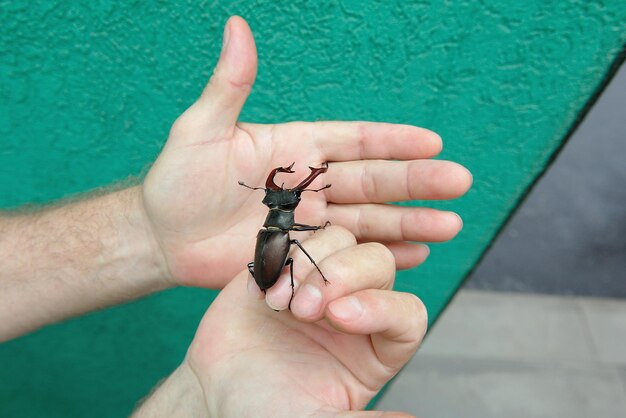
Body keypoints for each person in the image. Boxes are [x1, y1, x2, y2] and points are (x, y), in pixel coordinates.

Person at [0, 16, 472, 417]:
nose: (283, 199)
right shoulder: (283, 231)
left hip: (267, 265)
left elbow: (281, 242)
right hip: (273, 264)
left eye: (282, 199)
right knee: (296, 252)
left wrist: (149, 231)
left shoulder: (271, 229)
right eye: (281, 198)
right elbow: (294, 240)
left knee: (289, 255)